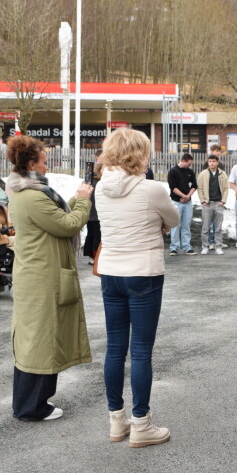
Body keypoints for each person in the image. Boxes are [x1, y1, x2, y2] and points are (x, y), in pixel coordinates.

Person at [95, 128, 179, 448]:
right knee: (141, 351)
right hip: (143, 273)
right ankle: (142, 423)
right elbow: (172, 219)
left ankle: (117, 421)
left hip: (111, 272)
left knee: (115, 348)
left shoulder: (101, 188)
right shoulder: (152, 189)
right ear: (139, 154)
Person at [6, 134, 93, 421]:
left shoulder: (26, 192)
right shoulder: (32, 196)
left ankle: (29, 403)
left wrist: (77, 198)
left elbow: (56, 215)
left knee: (36, 340)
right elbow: (68, 224)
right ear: (31, 163)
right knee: (40, 342)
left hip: (36, 275)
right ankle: (32, 406)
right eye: (43, 161)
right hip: (41, 278)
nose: (47, 166)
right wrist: (82, 202)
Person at [196, 153, 227, 255]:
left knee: (218, 228)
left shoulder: (222, 174)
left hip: (218, 203)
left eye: (214, 161)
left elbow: (226, 188)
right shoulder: (203, 174)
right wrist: (203, 201)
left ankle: (218, 246)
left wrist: (223, 201)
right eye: (210, 161)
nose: (212, 163)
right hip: (207, 204)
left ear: (217, 162)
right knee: (206, 227)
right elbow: (199, 188)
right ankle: (205, 246)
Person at [167, 153, 197, 256]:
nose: (190, 166)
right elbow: (172, 187)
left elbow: (194, 185)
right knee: (175, 225)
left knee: (186, 225)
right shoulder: (173, 172)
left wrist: (188, 196)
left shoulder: (190, 172)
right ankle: (174, 247)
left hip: (188, 203)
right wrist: (183, 196)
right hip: (176, 202)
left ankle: (187, 246)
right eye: (189, 164)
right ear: (183, 161)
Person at [84, 150, 104, 263]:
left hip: (92, 211)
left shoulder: (91, 180)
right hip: (95, 212)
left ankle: (91, 255)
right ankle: (95, 256)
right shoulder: (96, 181)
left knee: (92, 234)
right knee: (96, 235)